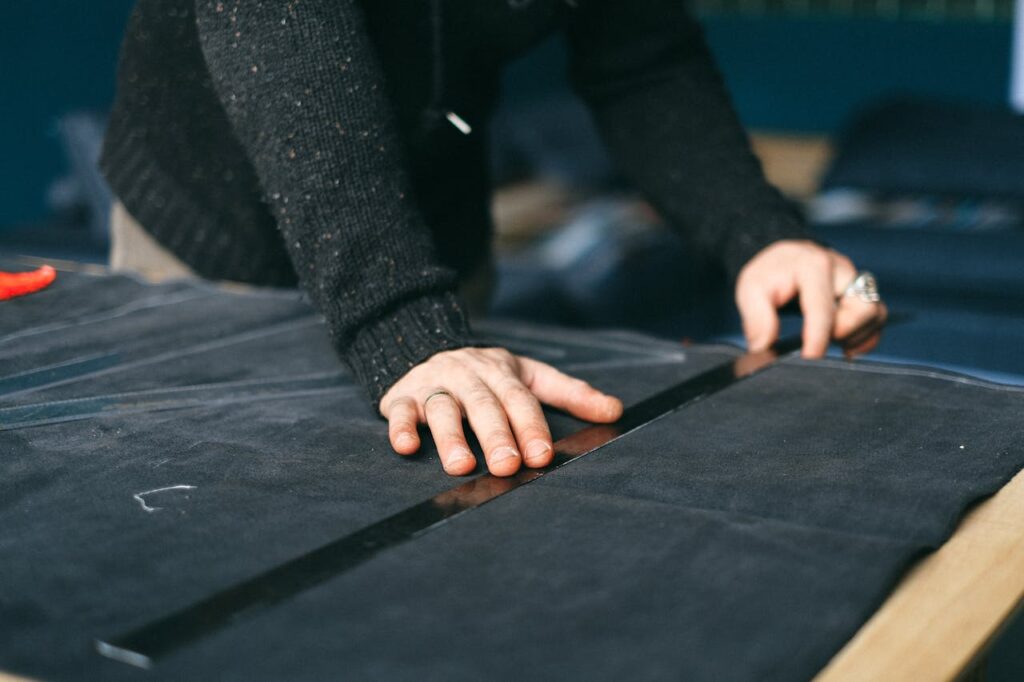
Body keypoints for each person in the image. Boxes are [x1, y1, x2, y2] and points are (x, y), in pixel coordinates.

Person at [101, 0, 887, 478]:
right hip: (213, 222)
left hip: (430, 216)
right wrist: (403, 325)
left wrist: (755, 230)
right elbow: (279, 25)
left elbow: (643, 56)